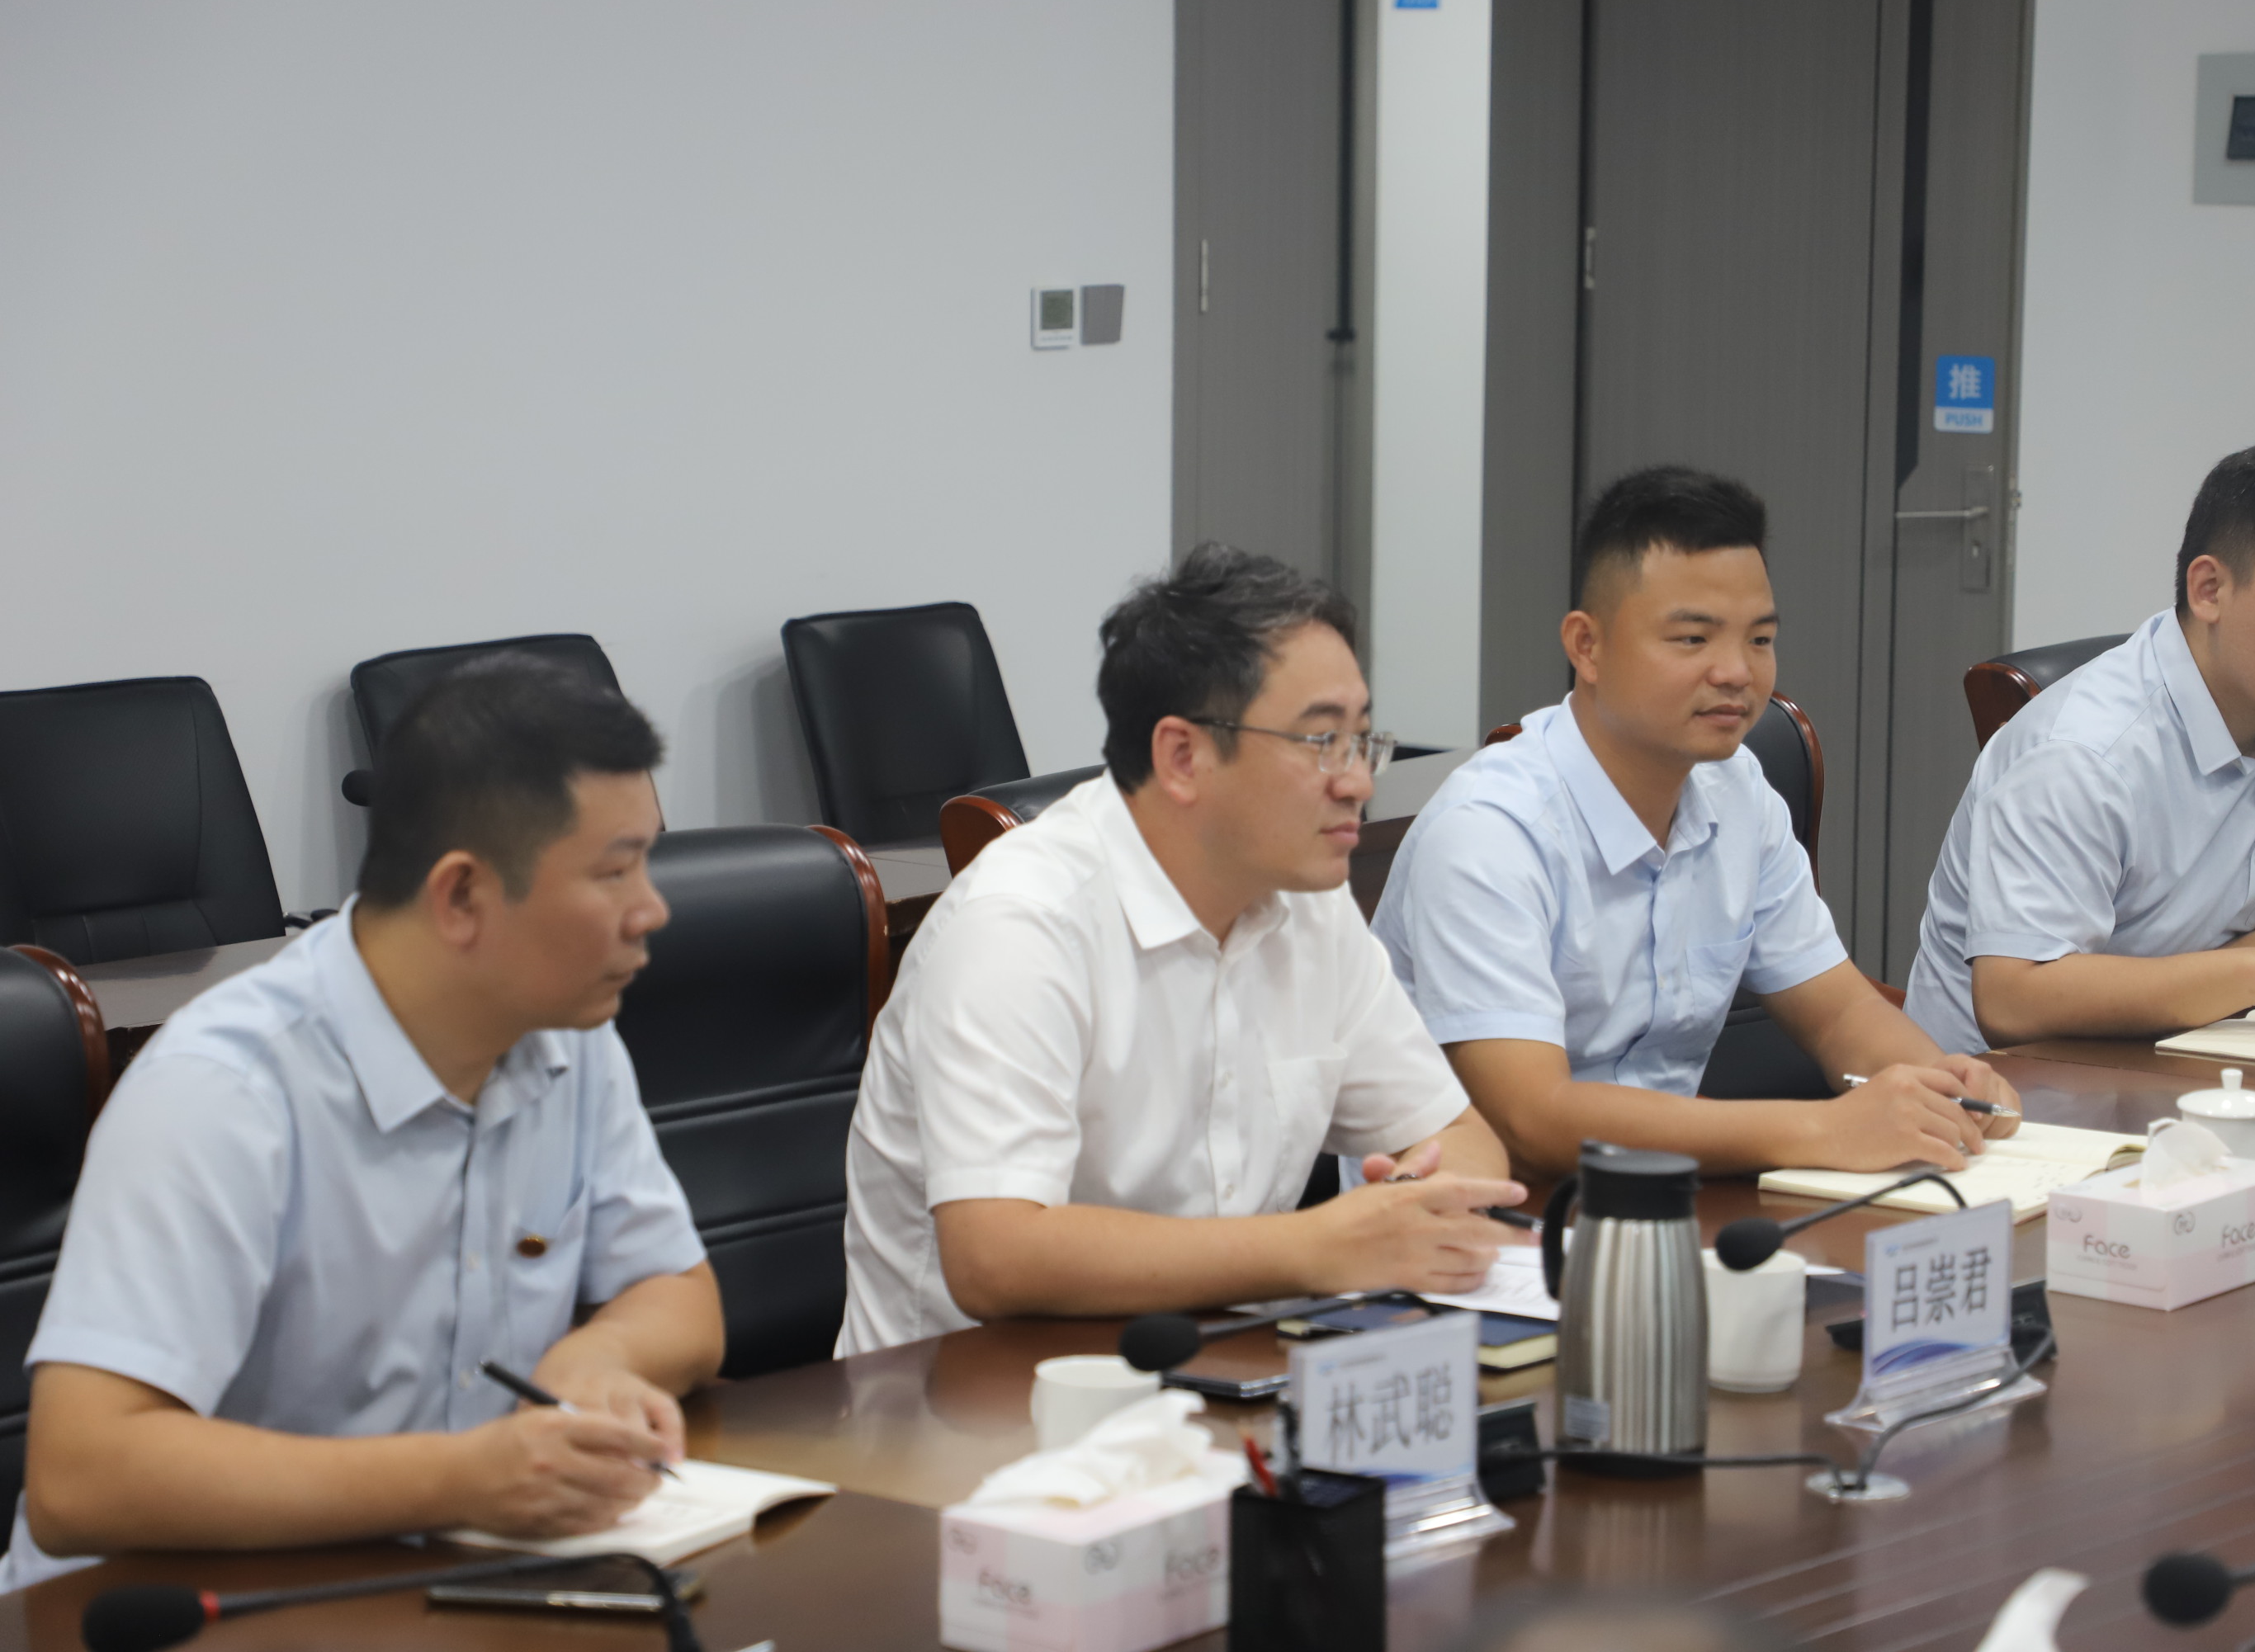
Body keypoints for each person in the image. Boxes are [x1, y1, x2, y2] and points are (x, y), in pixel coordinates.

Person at [4, 657, 721, 1593]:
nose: (652, 909)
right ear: (461, 897)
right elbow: (81, 1478)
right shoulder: (223, 1092)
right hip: (164, 1610)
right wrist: (463, 1479)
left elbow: (680, 1295)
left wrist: (598, 1359)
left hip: (417, 1580)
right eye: (615, 871)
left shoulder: (563, 1039)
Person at [839, 545, 1523, 1355]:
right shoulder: (1019, 924)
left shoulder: (1308, 903)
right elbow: (995, 1256)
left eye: (1362, 741)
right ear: (1183, 756)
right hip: (960, 1401)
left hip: (1216, 1370)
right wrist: (1319, 1246)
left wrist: (1406, 1207)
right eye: (1320, 742)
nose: (1358, 782)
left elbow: (1459, 1136)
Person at [1370, 466, 2019, 1179]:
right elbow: (1533, 1118)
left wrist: (1940, 1086)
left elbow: (1838, 1013)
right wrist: (1820, 1129)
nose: (1737, 672)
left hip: (1673, 1193)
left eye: (1760, 640)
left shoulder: (1738, 791)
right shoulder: (1489, 834)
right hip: (1489, 1211)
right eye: (1692, 640)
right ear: (1587, 646)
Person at [1908, 435, 2255, 1055]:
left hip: (2203, 1053)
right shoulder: (2085, 751)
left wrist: (2202, 981)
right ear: (2210, 590)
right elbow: (2016, 1001)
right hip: (2011, 1087)